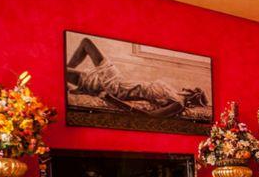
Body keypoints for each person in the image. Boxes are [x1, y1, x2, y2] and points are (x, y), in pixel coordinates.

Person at [65, 36, 208, 117]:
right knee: (66, 72)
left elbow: (151, 117)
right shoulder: (175, 92)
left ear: (193, 94)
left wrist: (111, 99)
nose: (189, 87)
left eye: (194, 89)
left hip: (116, 87)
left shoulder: (178, 104)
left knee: (86, 43)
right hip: (118, 83)